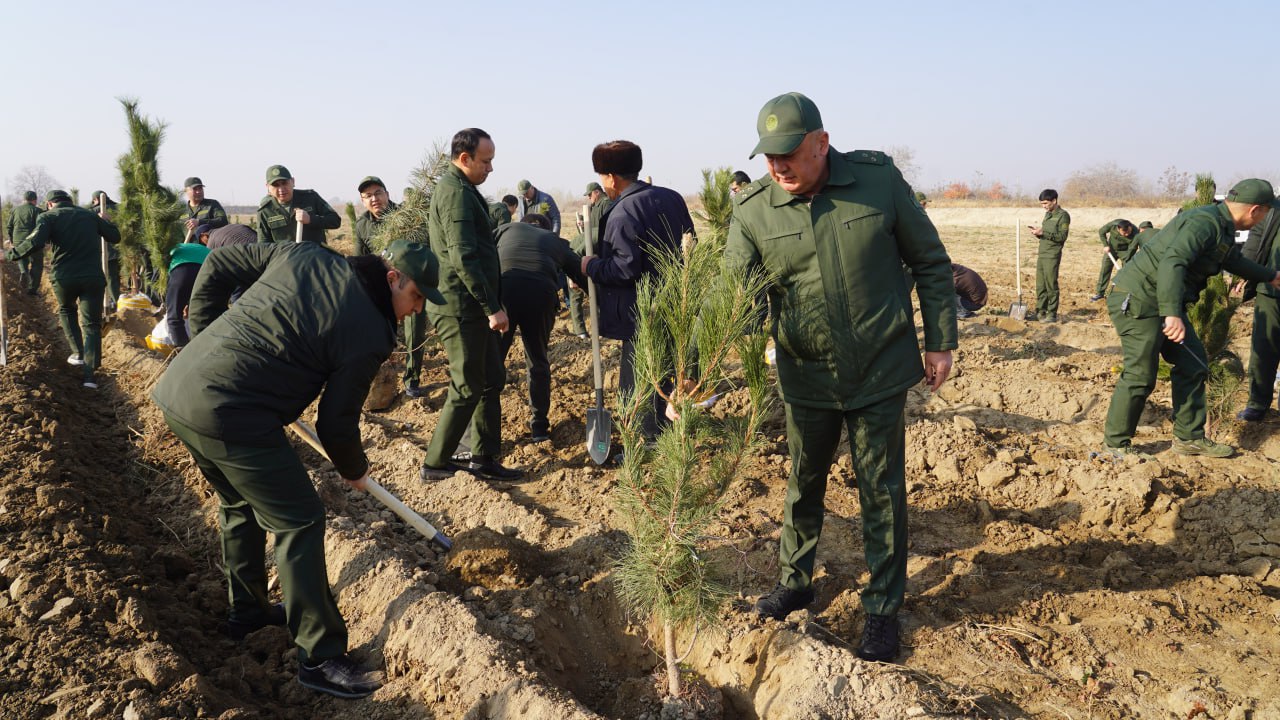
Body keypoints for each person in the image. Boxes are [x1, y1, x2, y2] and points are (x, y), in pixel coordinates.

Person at [152, 238, 445, 699]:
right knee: (300, 519)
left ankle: (248, 612)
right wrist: (354, 468)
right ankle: (320, 658)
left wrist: (203, 336)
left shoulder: (306, 254)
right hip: (231, 412)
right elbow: (336, 422)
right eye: (416, 297)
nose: (417, 310)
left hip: (180, 391)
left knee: (239, 503)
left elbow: (221, 259)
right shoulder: (371, 331)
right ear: (392, 279)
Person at [724, 92, 956, 663]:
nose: (778, 166)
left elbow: (930, 261)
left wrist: (941, 340)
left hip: (879, 368)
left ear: (822, 143)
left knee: (881, 489)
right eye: (769, 157)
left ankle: (882, 609)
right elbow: (731, 299)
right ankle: (795, 582)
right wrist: (698, 364)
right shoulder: (754, 211)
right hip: (807, 376)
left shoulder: (878, 183)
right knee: (804, 482)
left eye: (789, 154)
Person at [1102, 179, 1280, 457]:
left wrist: (1271, 276)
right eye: (1266, 213)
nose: (1263, 220)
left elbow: (1231, 261)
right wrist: (1171, 313)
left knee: (1193, 363)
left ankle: (1189, 437)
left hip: (1164, 300)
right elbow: (1173, 262)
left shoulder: (1222, 226)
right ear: (1255, 210)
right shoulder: (1204, 223)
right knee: (1141, 374)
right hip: (1140, 299)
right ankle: (1116, 445)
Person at [418, 128, 521, 482]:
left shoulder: (464, 189)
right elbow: (463, 256)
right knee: (466, 386)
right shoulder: (455, 193)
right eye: (485, 161)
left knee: (491, 379)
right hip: (461, 307)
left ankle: (484, 457)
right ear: (464, 158)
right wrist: (492, 307)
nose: (490, 168)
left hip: (472, 306)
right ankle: (435, 463)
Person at [580, 140, 695, 439]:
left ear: (611, 177)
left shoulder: (623, 212)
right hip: (675, 304)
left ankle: (647, 444)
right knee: (668, 376)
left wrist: (592, 266)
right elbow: (690, 246)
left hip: (640, 313)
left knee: (640, 384)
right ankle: (670, 437)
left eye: (602, 176)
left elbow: (624, 267)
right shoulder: (672, 198)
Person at [5, 190, 121, 388]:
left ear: (50, 204)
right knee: (92, 325)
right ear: (70, 201)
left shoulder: (48, 217)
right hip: (92, 277)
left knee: (67, 310)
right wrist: (106, 221)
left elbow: (34, 242)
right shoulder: (90, 215)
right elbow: (115, 236)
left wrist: (9, 255)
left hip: (64, 277)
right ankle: (90, 376)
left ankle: (78, 353)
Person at [494, 213, 586, 442]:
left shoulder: (505, 229)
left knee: (493, 360)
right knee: (537, 360)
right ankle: (539, 427)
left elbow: (480, 255)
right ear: (546, 229)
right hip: (540, 294)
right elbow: (581, 275)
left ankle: (485, 435)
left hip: (504, 293)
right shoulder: (555, 241)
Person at [1238, 202, 1280, 421]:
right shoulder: (1274, 207)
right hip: (1270, 290)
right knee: (1264, 348)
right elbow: (1256, 238)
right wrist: (1244, 270)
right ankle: (1257, 403)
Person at [568, 181, 612, 338]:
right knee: (576, 291)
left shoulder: (606, 204)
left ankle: (602, 328)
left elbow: (605, 229)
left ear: (597, 192)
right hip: (583, 250)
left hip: (594, 252)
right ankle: (581, 331)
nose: (588, 198)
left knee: (598, 293)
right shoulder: (593, 207)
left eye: (589, 195)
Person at [255, 165, 341, 244]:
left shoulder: (310, 198)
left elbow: (335, 221)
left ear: (293, 181)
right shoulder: (265, 211)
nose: (281, 189)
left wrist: (310, 219)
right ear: (268, 188)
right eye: (275, 185)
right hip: (285, 255)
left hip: (315, 253)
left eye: (284, 183)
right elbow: (263, 245)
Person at [165, 224, 213, 346]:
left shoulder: (173, 250)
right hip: (208, 272)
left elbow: (170, 285)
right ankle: (204, 347)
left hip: (182, 272)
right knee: (202, 315)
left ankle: (182, 349)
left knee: (174, 316)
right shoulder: (207, 249)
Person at [1030, 189, 1070, 322]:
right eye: (1042, 204)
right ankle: (1040, 312)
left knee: (1051, 284)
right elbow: (1046, 234)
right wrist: (1038, 233)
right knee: (1040, 285)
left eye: (1046, 203)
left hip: (1052, 255)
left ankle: (1051, 314)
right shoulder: (1047, 215)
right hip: (1042, 253)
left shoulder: (1063, 216)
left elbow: (1062, 237)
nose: (1044, 206)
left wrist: (1044, 234)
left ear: (1054, 201)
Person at [89, 191, 123, 311]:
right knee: (115, 277)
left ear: (96, 200)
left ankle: (114, 303)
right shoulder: (119, 209)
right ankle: (114, 300)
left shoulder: (93, 212)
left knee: (108, 278)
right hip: (121, 249)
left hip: (105, 251)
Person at [5, 190, 44, 295]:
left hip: (17, 240)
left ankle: (23, 271)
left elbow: (9, 227)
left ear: (24, 199)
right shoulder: (38, 211)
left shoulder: (15, 210)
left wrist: (12, 240)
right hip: (33, 241)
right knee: (37, 265)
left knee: (22, 258)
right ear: (35, 200)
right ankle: (32, 290)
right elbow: (42, 227)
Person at [1090, 219, 1138, 300]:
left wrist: (1127, 259)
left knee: (1127, 271)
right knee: (1105, 269)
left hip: (1126, 251)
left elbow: (1133, 248)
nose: (1127, 234)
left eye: (1128, 232)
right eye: (1124, 233)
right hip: (1111, 249)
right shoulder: (1113, 225)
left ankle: (1125, 293)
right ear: (1118, 229)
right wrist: (1105, 245)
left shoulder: (1135, 232)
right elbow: (1101, 231)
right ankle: (1100, 293)